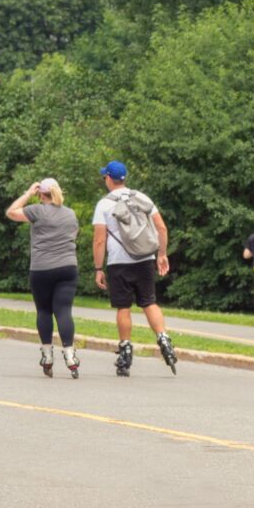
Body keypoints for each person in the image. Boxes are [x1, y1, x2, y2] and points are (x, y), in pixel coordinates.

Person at [90, 161, 175, 376]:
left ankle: (125, 350)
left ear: (109, 179)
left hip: (119, 262)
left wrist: (98, 268)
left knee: (123, 307)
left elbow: (99, 240)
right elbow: (162, 227)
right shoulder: (142, 198)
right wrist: (162, 254)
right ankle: (164, 338)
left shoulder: (104, 205)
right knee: (149, 302)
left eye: (105, 177)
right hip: (145, 258)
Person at [8, 177, 81, 378]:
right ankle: (70, 356)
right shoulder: (70, 213)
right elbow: (74, 234)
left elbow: (11, 212)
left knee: (44, 311)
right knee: (64, 311)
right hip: (67, 267)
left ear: (41, 193)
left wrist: (28, 193)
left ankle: (47, 355)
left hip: (42, 268)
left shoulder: (36, 211)